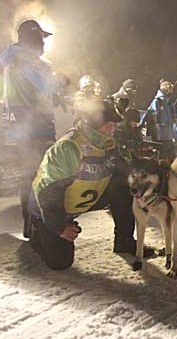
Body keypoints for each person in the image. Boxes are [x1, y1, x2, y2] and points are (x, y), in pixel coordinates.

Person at [29, 98, 155, 271]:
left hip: (83, 197)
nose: (114, 127)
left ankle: (124, 241)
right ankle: (36, 228)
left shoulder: (107, 141)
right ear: (93, 123)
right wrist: (60, 227)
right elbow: (49, 193)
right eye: (109, 123)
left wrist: (145, 182)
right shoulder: (69, 147)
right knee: (60, 262)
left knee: (124, 189)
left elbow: (121, 170)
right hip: (50, 206)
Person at [0, 19, 65, 238]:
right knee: (42, 177)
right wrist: (61, 82)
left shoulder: (12, 60)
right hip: (36, 128)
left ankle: (30, 225)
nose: (44, 45)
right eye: (41, 39)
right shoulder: (28, 60)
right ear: (33, 39)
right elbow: (46, 85)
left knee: (28, 177)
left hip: (19, 129)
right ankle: (40, 227)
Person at [139, 79, 176, 161]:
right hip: (160, 135)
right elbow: (149, 114)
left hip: (168, 135)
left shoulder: (169, 102)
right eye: (170, 89)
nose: (171, 91)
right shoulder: (157, 101)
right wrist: (140, 127)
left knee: (170, 156)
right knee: (161, 156)